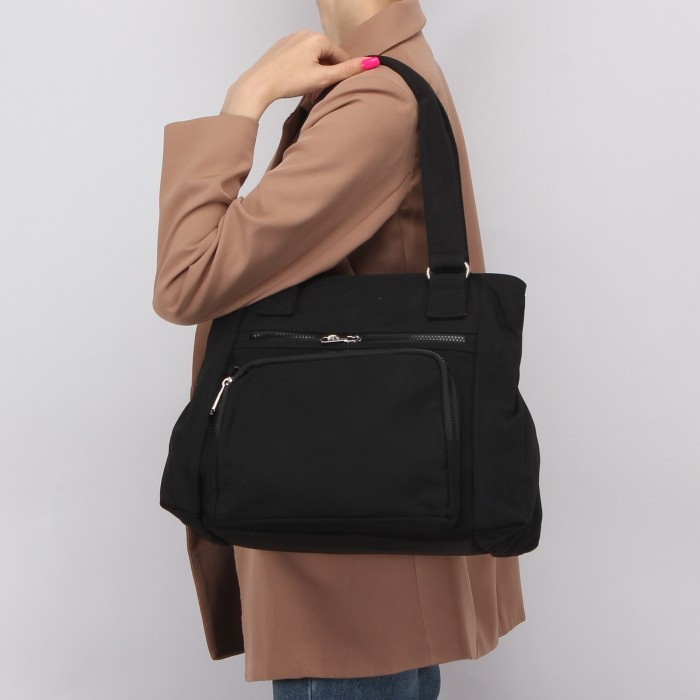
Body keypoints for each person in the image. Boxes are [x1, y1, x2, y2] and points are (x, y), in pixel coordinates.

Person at [153, 0, 526, 697]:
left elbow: (188, 279)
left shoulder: (378, 99)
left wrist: (245, 100)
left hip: (342, 561)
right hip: (362, 522)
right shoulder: (386, 75)